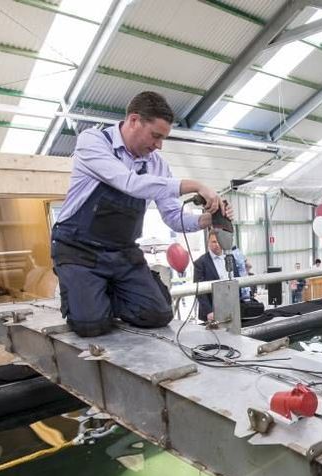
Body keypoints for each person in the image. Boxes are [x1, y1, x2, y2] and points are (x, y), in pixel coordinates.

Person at [50, 91, 233, 337]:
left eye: (163, 138)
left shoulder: (157, 164)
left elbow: (172, 217)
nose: (159, 145)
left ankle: (104, 292)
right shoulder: (93, 141)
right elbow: (129, 183)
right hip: (79, 250)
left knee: (158, 314)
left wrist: (207, 219)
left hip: (122, 251)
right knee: (90, 325)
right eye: (156, 136)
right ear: (134, 120)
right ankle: (89, 296)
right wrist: (193, 185)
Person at [193, 231, 242, 322]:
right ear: (208, 242)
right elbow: (199, 291)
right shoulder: (200, 263)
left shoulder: (230, 258)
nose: (217, 244)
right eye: (214, 242)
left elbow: (237, 280)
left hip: (231, 308)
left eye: (219, 241)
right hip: (212, 312)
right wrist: (209, 311)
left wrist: (238, 302)